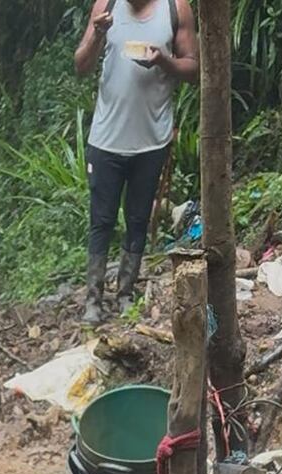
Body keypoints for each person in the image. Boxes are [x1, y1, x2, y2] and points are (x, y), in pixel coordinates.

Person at [74, 0, 199, 326]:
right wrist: (97, 35)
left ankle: (126, 294)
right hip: (106, 140)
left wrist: (164, 62)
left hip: (151, 140)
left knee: (138, 219)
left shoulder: (176, 8)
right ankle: (93, 299)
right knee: (101, 221)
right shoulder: (107, 5)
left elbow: (195, 68)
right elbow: (81, 64)